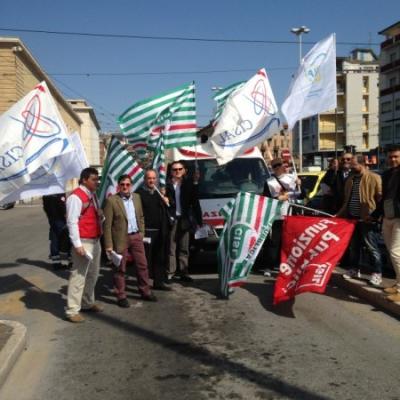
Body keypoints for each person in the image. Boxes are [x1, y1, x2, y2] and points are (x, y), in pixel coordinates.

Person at [103, 174, 156, 308]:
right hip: (120, 239)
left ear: (131, 186)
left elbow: (141, 216)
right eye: (122, 185)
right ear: (118, 186)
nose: (125, 187)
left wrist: (141, 233)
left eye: (127, 184)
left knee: (142, 265)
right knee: (120, 268)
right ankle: (121, 295)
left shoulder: (137, 198)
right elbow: (107, 225)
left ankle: (145, 291)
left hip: (136, 236)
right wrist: (108, 245)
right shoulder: (112, 201)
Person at [337, 154, 383, 286]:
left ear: (362, 164)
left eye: (353, 164)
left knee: (372, 247)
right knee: (354, 246)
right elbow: (347, 201)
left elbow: (380, 199)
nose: (351, 166)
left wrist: (374, 215)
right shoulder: (350, 179)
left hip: (367, 218)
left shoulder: (374, 177)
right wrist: (340, 214)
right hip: (352, 218)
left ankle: (377, 273)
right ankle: (354, 269)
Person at [65, 168, 103, 323]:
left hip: (95, 240)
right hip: (84, 241)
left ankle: (87, 302)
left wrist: (101, 215)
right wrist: (77, 244)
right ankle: (72, 310)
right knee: (78, 276)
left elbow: (91, 216)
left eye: (97, 179)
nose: (97, 182)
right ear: (84, 180)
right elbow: (72, 221)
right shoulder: (75, 197)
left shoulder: (92, 195)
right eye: (94, 179)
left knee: (93, 274)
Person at [261, 158, 302, 273]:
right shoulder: (269, 182)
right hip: (277, 214)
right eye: (275, 166)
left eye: (280, 165)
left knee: (290, 240)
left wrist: (300, 184)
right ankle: (269, 265)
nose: (278, 167)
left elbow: (301, 195)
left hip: (291, 213)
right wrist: (278, 198)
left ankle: (285, 263)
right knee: (275, 241)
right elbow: (266, 199)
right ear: (272, 168)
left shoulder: (292, 178)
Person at [166, 160, 203, 282]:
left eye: (179, 169)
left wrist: (199, 220)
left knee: (184, 247)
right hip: (171, 219)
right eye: (174, 170)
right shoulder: (165, 185)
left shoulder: (189, 184)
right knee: (171, 247)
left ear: (184, 170)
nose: (177, 172)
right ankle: (170, 272)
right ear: (171, 172)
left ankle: (184, 272)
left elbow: (195, 202)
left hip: (184, 219)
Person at [136, 169, 172, 291]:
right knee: (145, 260)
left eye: (153, 178)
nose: (151, 180)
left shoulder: (158, 193)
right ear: (145, 180)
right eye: (149, 178)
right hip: (146, 231)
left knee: (159, 257)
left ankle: (159, 282)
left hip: (160, 230)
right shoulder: (139, 194)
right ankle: (144, 284)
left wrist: (165, 200)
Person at [381, 145, 400, 302]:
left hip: (399, 218)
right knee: (392, 253)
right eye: (391, 157)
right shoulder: (386, 174)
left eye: (396, 156)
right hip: (387, 217)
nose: (393, 159)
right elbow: (384, 198)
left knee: (396, 252)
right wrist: (374, 215)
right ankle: (398, 283)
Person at [42, 193, 70, 269]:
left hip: (52, 220)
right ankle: (71, 262)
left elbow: (45, 207)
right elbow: (62, 207)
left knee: (54, 241)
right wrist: (66, 216)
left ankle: (56, 264)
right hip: (60, 220)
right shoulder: (59, 194)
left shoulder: (45, 195)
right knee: (68, 240)